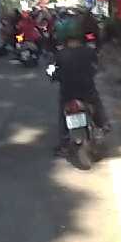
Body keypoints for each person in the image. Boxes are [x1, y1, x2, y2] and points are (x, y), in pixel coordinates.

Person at [50, 18, 109, 156]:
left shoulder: (60, 55)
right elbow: (97, 66)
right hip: (87, 91)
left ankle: (64, 143)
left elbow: (52, 70)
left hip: (68, 93)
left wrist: (53, 77)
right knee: (96, 103)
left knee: (63, 114)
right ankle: (103, 124)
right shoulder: (89, 51)